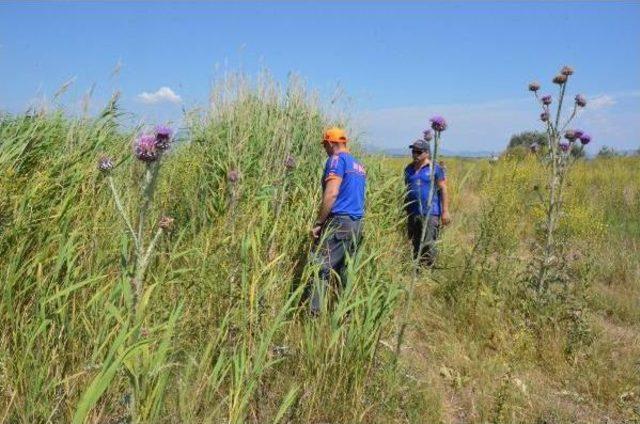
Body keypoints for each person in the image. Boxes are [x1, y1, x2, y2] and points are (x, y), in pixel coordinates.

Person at [308, 127, 366, 315]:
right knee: (344, 271)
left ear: (331, 143)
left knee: (320, 267)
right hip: (356, 224)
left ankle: (314, 315)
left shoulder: (336, 159)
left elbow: (332, 193)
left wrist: (319, 222)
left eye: (325, 145)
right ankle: (344, 314)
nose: (325, 148)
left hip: (339, 222)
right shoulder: (357, 165)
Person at [404, 139, 450, 267]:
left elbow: (443, 189)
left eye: (419, 152)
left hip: (431, 212)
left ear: (427, 153)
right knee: (415, 243)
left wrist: (445, 211)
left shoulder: (435, 169)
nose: (415, 154)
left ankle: (428, 271)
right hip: (412, 212)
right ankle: (416, 270)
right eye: (413, 151)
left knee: (428, 243)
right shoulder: (408, 169)